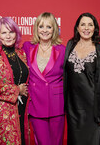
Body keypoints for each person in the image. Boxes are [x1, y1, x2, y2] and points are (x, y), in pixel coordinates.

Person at [63, 12, 100, 145]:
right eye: (83, 24)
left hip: (93, 105)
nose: (86, 28)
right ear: (77, 28)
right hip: (73, 106)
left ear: (94, 28)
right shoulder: (69, 46)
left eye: (90, 25)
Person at [0, 17, 30, 145]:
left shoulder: (21, 54)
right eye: (4, 33)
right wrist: (17, 90)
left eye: (11, 32)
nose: (8, 36)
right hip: (3, 114)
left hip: (22, 109)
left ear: (16, 34)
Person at [22, 12, 65, 145]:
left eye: (49, 27)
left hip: (56, 104)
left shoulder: (62, 50)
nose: (45, 30)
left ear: (54, 29)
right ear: (36, 28)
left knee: (56, 142)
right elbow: (12, 56)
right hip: (36, 103)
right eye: (41, 26)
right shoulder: (27, 46)